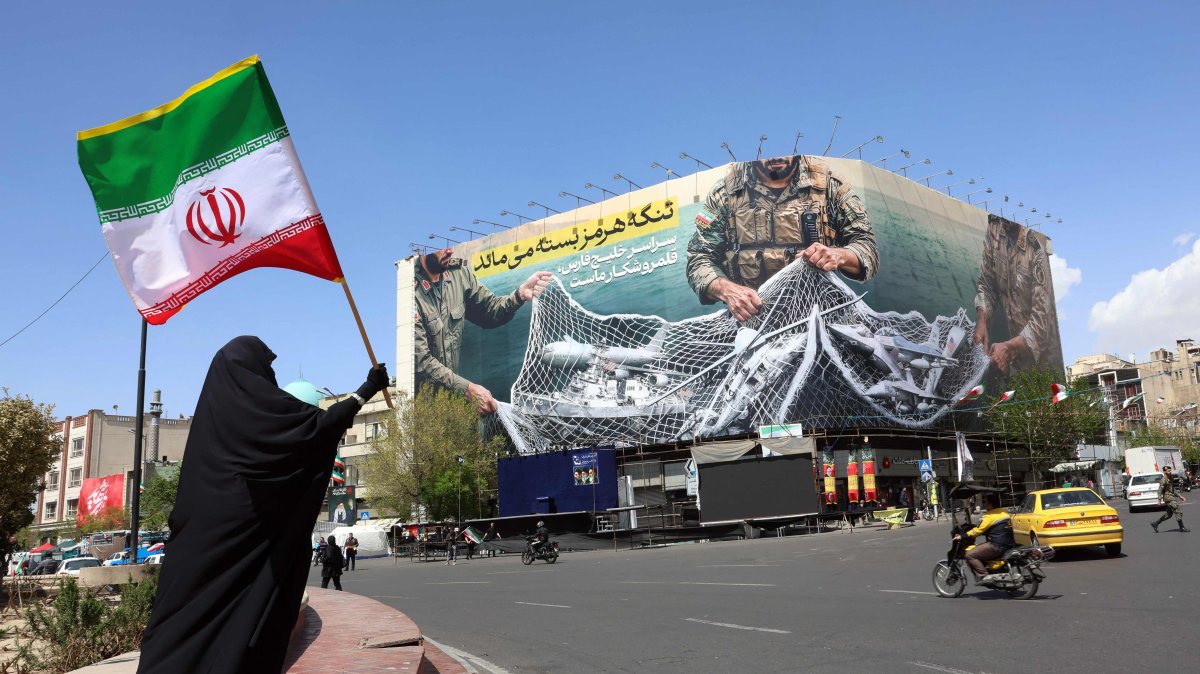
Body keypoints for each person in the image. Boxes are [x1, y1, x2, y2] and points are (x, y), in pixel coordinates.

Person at [137, 336, 389, 674]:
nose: (269, 374)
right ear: (250, 368)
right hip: (245, 537)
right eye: (267, 366)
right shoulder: (259, 406)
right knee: (239, 622)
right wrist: (365, 390)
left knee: (184, 619)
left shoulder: (215, 415)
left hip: (198, 543)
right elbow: (314, 429)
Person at [686, 155, 878, 322]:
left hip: (823, 313)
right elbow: (699, 258)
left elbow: (866, 246)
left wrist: (839, 255)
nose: (776, 158)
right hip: (752, 319)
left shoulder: (830, 185)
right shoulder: (724, 193)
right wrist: (727, 291)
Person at [413, 247, 552, 414]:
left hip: (452, 403)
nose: (450, 251)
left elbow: (489, 311)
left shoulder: (460, 274)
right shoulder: (409, 289)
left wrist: (519, 295)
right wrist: (467, 389)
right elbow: (421, 361)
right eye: (442, 247)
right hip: (421, 408)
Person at [974, 214, 1062, 374]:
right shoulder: (994, 229)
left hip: (1046, 365)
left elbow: (1040, 322)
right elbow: (987, 285)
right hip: (1017, 360)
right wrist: (982, 319)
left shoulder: (1036, 250)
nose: (1004, 222)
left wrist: (1008, 348)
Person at [954, 492, 1015, 584]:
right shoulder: (1004, 512)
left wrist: (962, 536)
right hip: (1010, 543)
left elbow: (977, 531)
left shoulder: (989, 516)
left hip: (996, 545)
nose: (985, 505)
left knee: (969, 555)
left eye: (986, 503)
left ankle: (984, 576)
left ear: (990, 505)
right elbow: (995, 528)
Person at [1151, 465, 1189, 532]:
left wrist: (1180, 496)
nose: (1170, 471)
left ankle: (1155, 523)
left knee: (1169, 514)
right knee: (1178, 510)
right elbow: (1160, 490)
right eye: (1168, 471)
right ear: (1164, 472)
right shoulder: (1163, 480)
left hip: (1171, 496)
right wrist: (1159, 500)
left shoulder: (1170, 477)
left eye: (1170, 470)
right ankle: (1181, 527)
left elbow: (1172, 489)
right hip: (1168, 498)